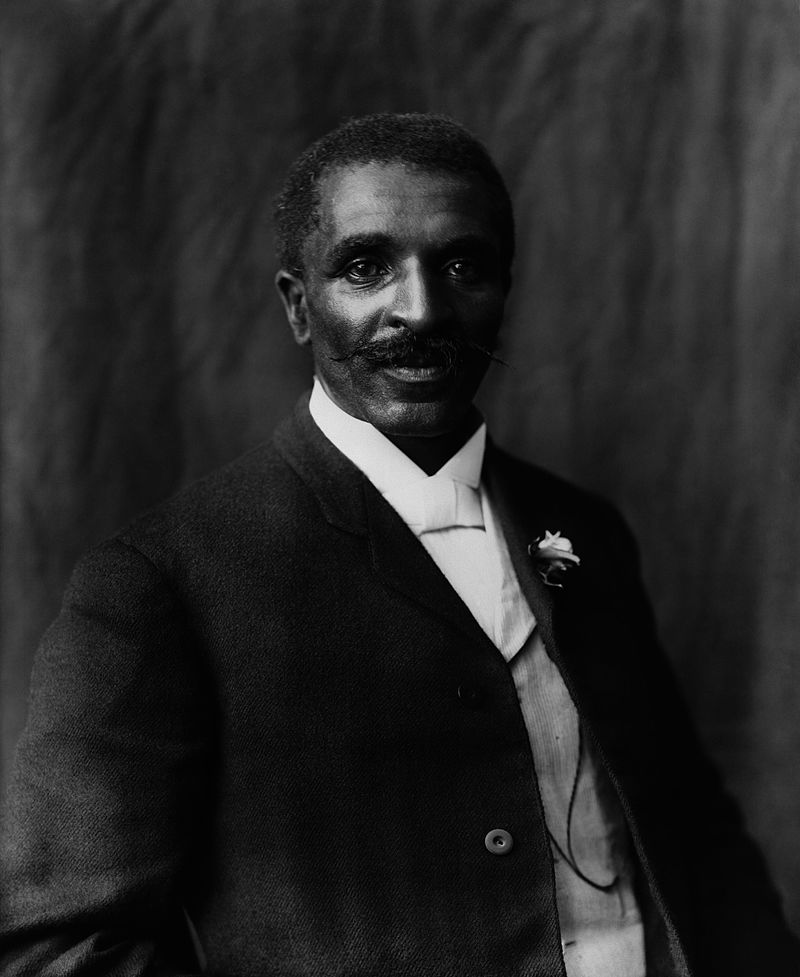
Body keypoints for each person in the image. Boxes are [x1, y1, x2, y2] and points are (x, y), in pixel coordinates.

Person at [0, 112, 797, 977]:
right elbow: (65, 948)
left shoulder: (585, 529)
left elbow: (693, 827)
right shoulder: (161, 583)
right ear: (299, 305)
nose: (420, 308)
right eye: (365, 267)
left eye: (462, 266)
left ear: (503, 292)